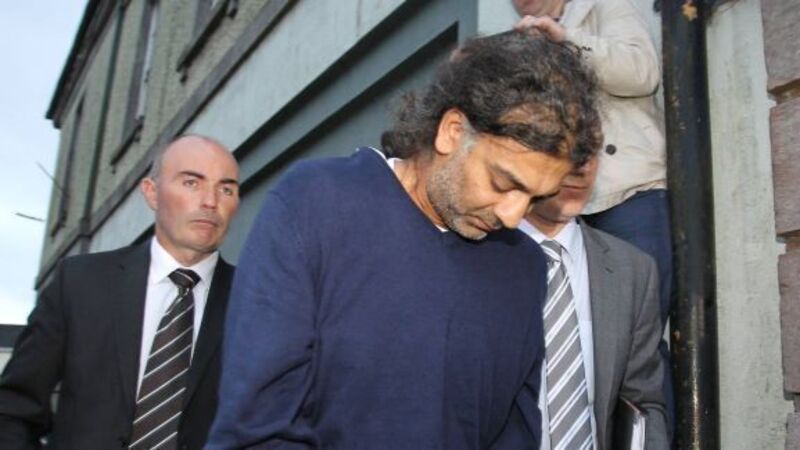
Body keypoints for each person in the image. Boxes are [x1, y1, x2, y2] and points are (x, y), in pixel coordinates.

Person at [207, 31, 602, 449]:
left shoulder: (523, 267)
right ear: (452, 131)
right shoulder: (315, 203)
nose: (513, 216)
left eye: (536, 198)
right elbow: (256, 427)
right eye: (503, 183)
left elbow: (513, 436)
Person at [0, 135, 241, 449]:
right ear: (151, 193)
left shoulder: (256, 301)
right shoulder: (79, 284)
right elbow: (14, 408)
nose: (211, 201)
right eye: (191, 183)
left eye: (226, 189)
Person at [512, 0, 675, 434]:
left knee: (633, 353)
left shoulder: (602, 6)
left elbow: (643, 71)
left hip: (628, 195)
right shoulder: (528, 34)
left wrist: (566, 41)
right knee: (563, 341)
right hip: (555, 203)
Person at [519, 154, 668, 449]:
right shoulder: (474, 257)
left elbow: (643, 401)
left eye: (590, 148)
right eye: (563, 148)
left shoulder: (633, 269)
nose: (580, 166)